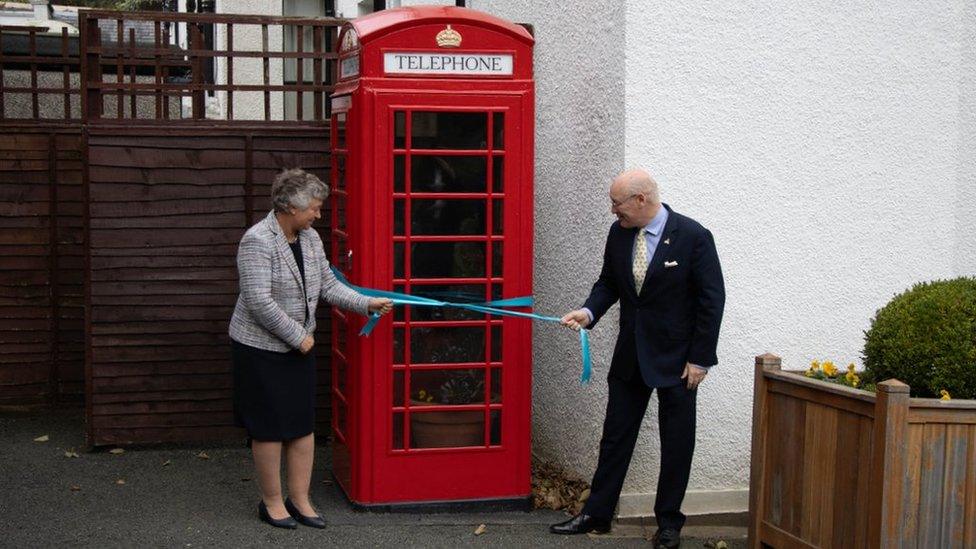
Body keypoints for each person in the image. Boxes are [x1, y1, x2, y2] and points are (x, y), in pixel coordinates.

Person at [549, 168, 725, 549]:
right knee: (615, 436)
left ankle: (669, 523)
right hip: (630, 355)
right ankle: (597, 514)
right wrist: (588, 313)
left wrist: (700, 359)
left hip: (679, 362)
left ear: (641, 200)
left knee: (676, 443)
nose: (614, 211)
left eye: (618, 204)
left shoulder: (694, 237)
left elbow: (712, 300)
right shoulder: (620, 233)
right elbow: (608, 283)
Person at [228, 168, 392, 529]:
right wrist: (297, 336)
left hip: (299, 346)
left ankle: (300, 498)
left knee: (302, 425)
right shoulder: (257, 240)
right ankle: (272, 502)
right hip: (260, 348)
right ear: (289, 206)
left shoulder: (311, 239)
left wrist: (366, 303)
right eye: (314, 208)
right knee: (269, 429)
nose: (318, 214)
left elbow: (328, 285)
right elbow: (258, 300)